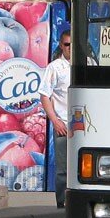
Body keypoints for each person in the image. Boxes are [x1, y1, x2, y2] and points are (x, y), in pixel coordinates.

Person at [39, 29, 72, 208]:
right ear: (61, 45)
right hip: (63, 123)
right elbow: (44, 95)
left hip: (84, 125)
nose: (70, 48)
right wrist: (55, 120)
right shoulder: (55, 67)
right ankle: (62, 202)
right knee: (63, 168)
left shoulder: (88, 63)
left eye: (73, 45)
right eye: (67, 45)